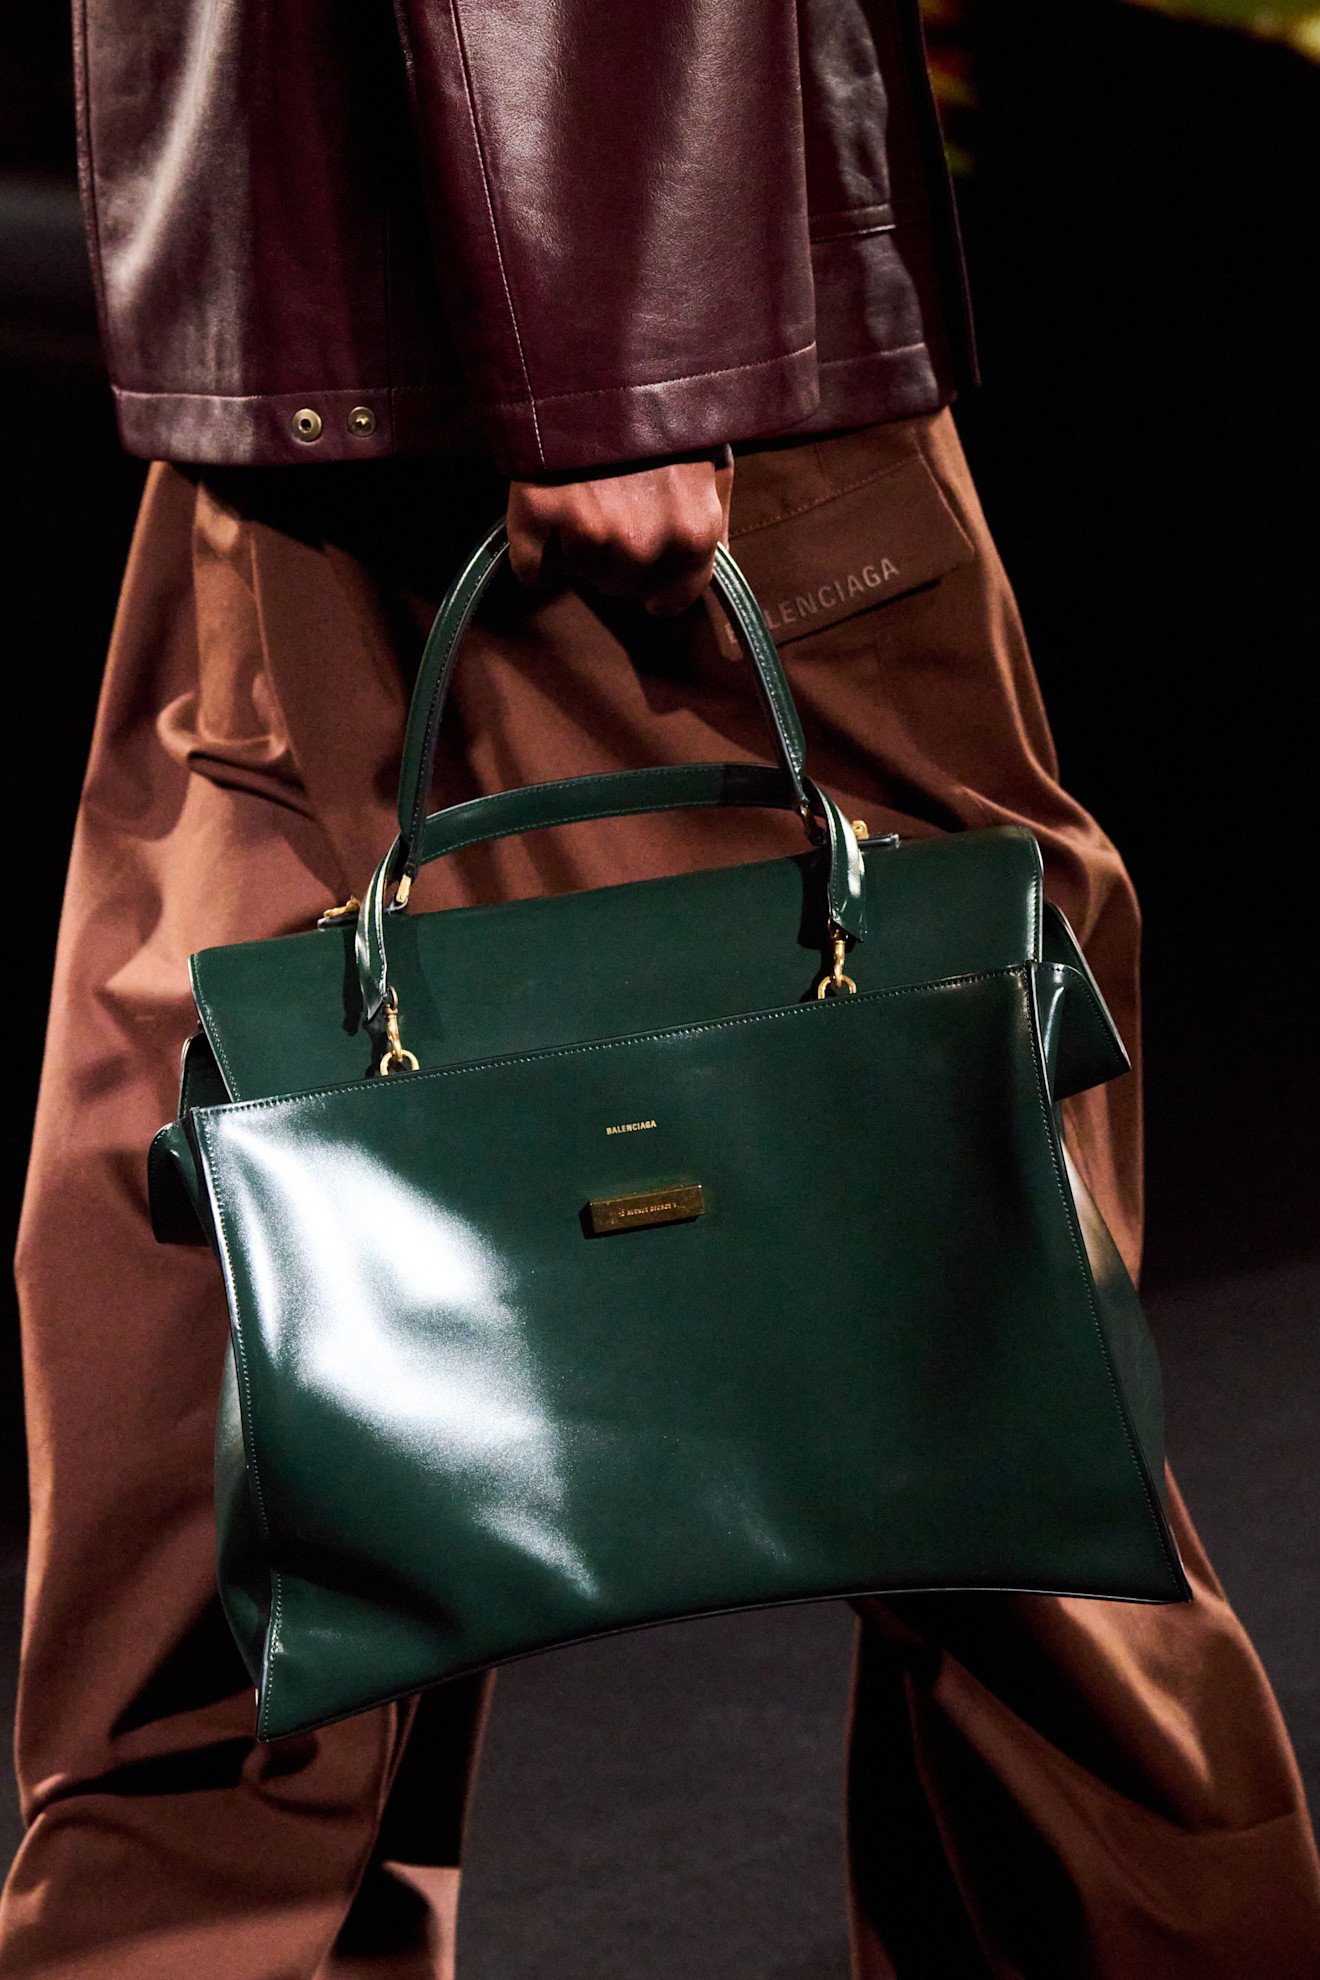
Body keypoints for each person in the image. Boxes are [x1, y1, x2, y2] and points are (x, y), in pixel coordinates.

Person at [2, 1, 1318, 1973]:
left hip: (547, 349)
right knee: (236, 1379)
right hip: (385, 359)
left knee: (965, 1360)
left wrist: (624, 351)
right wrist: (616, 347)